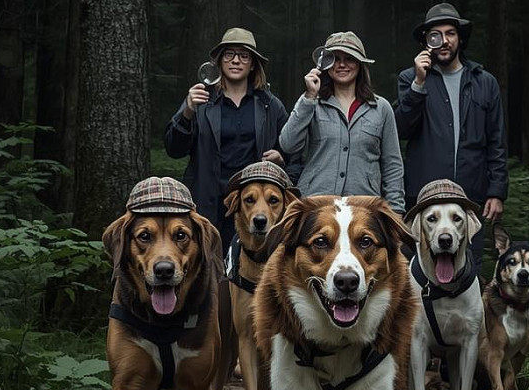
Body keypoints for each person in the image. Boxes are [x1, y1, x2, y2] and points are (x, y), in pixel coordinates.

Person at [394, 3, 508, 268]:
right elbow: (401, 129)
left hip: (470, 198)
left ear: (460, 38)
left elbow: (497, 140)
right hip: (424, 199)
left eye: (450, 34)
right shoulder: (410, 78)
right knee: (418, 277)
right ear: (426, 42)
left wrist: (497, 191)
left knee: (469, 273)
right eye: (435, 35)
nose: (444, 41)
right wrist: (418, 84)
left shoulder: (484, 82)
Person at [165, 27, 294, 251]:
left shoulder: (269, 104)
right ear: (219, 62)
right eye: (229, 55)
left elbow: (291, 149)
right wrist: (187, 111)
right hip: (207, 198)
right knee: (209, 265)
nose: (236, 61)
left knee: (249, 268)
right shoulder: (201, 100)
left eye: (243, 56)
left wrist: (281, 157)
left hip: (252, 204)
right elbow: (174, 149)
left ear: (253, 64)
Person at [278, 31, 404, 214]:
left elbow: (392, 165)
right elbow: (288, 144)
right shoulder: (313, 102)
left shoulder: (381, 108)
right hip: (317, 205)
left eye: (349, 58)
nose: (342, 64)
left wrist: (396, 210)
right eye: (335, 58)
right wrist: (309, 97)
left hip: (364, 207)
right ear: (326, 64)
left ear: (360, 64)